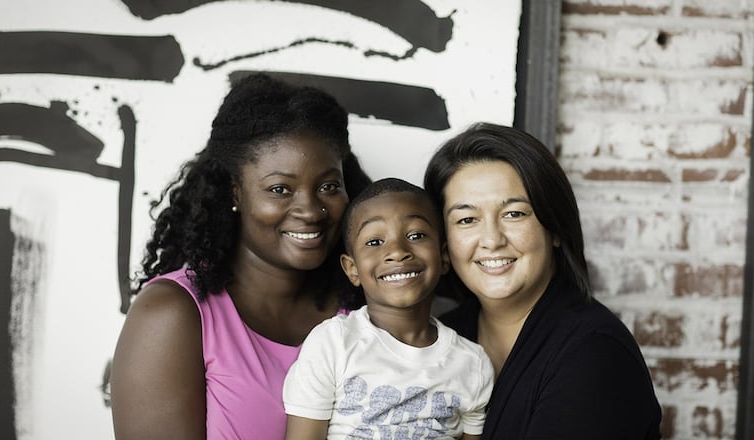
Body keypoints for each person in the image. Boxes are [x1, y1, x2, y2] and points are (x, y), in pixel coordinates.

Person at [109, 73, 371, 439]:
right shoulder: (173, 315)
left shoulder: (364, 303)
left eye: (329, 186)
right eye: (280, 189)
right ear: (236, 192)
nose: (311, 211)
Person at [423, 122, 662, 439]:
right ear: (443, 242)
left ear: (555, 229)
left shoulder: (593, 352)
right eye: (467, 219)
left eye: (514, 214)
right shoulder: (439, 336)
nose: (492, 240)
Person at [283, 178, 494, 440]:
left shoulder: (473, 364)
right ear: (352, 269)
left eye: (416, 236)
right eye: (374, 242)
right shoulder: (333, 343)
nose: (397, 251)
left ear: (443, 257)